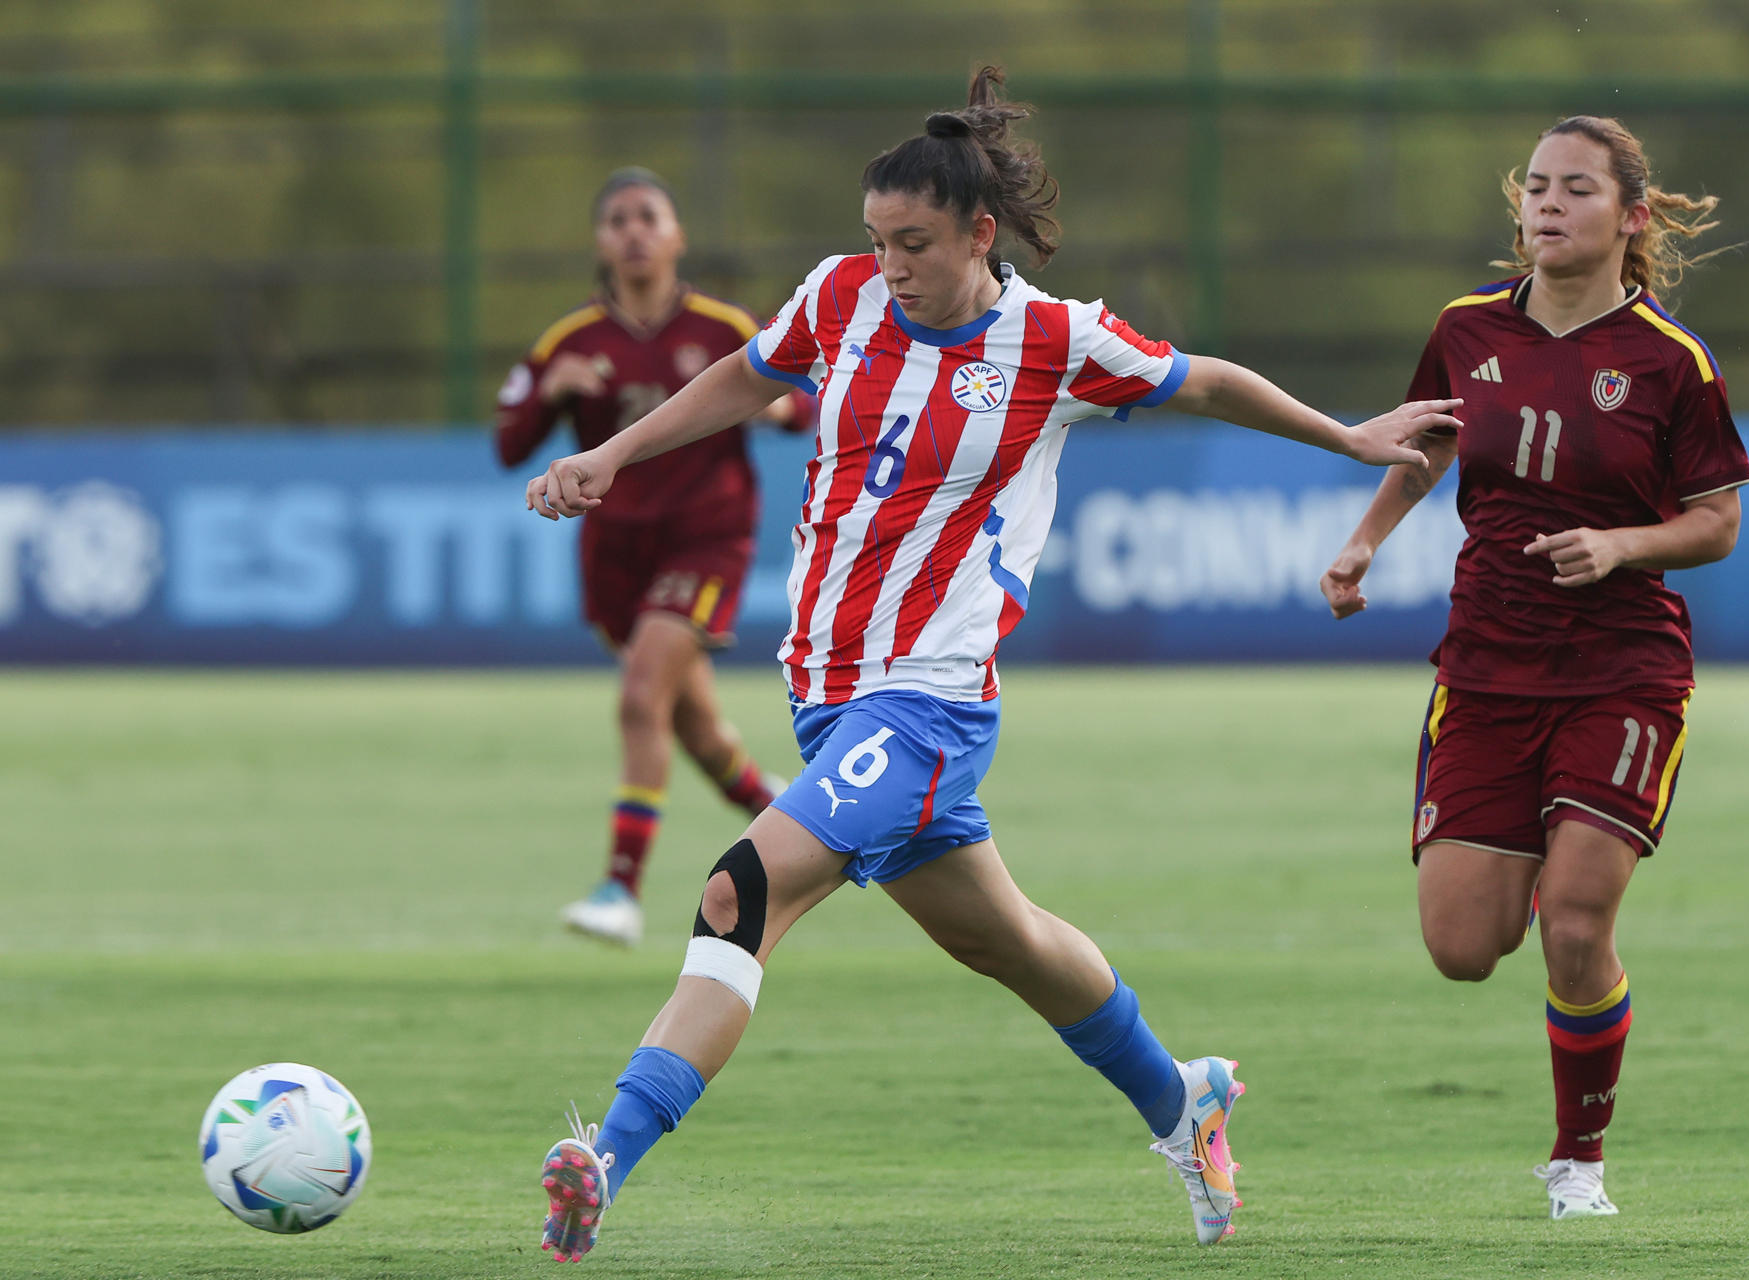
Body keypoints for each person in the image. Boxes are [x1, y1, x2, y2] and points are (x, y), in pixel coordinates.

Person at [522, 66, 1462, 1261]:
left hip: (929, 701)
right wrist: (615, 452)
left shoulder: (1056, 342)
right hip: (828, 693)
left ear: (979, 231)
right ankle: (1185, 1100)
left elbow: (1204, 379)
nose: (889, 264)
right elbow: (750, 371)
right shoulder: (839, 297)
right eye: (874, 239)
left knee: (735, 894)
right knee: (1006, 939)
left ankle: (603, 1158)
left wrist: (1347, 436)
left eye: (911, 242)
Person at [1318, 116, 1749, 1220]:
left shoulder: (1671, 360)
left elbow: (1716, 523)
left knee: (1574, 917)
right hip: (1488, 664)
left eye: (1576, 190)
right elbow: (1426, 441)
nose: (1548, 206)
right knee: (1465, 947)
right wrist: (1365, 540)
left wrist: (1622, 545)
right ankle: (1557, 996)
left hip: (1622, 670)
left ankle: (1578, 1163)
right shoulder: (1466, 328)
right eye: (1536, 189)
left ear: (1631, 217)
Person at [495, 168, 813, 947]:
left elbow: (800, 400)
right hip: (615, 553)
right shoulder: (568, 342)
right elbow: (510, 445)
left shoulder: (721, 324)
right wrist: (551, 393)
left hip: (706, 539)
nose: (633, 230)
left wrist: (774, 405)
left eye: (648, 216)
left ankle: (619, 890)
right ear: (600, 242)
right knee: (695, 729)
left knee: (642, 697)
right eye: (617, 220)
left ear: (676, 236)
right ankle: (782, 814)